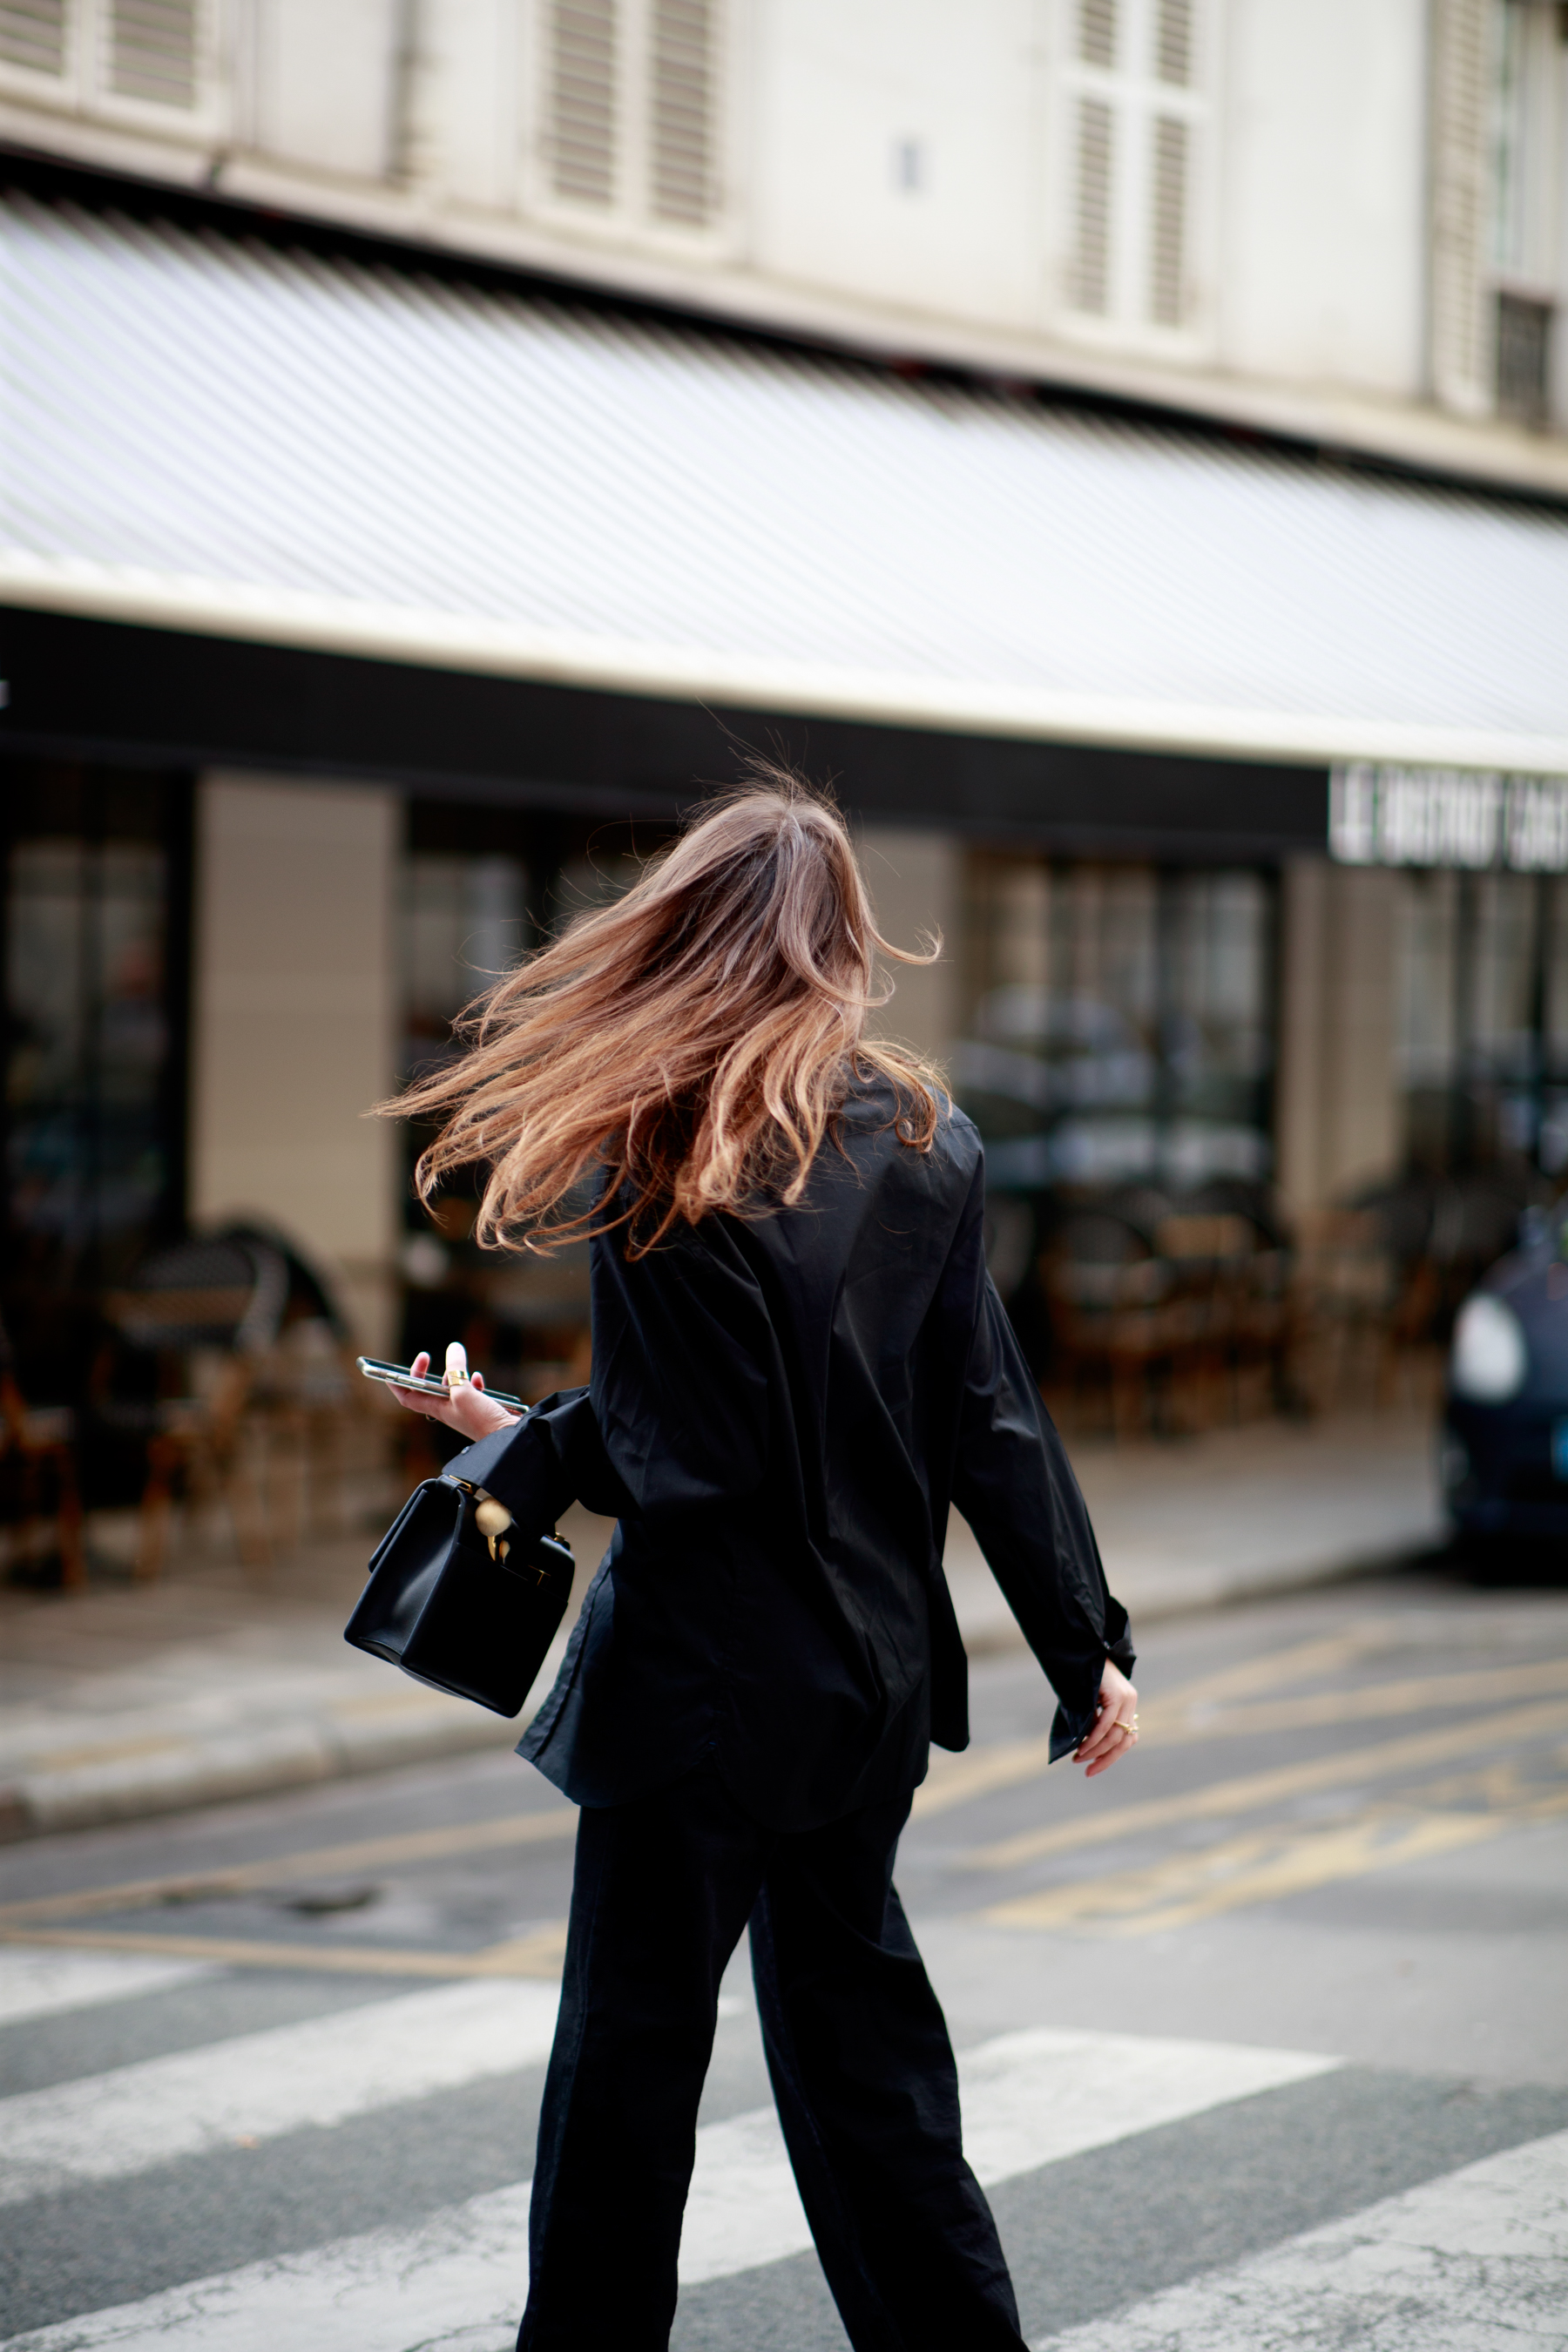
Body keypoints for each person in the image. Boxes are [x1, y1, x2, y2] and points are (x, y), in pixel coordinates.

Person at [384, 773, 1137, 2352]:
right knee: (873, 2081)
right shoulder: (932, 1144)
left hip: (695, 1702)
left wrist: (507, 1431)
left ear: (696, 935)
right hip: (865, 1690)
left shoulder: (665, 1146)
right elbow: (990, 1413)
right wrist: (1087, 1646)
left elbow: (676, 1453)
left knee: (627, 2085)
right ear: (836, 941)